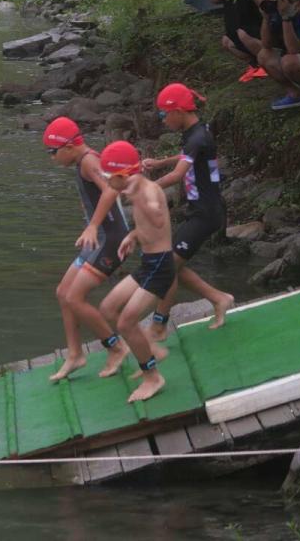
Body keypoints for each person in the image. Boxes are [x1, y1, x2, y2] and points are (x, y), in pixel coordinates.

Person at [142, 83, 234, 343]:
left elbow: (178, 174)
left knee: (167, 266)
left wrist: (145, 188)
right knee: (170, 265)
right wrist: (160, 162)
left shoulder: (198, 137)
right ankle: (218, 298)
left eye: (163, 114)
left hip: (206, 214)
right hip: (203, 209)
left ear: (179, 111)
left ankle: (159, 325)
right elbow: (186, 157)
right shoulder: (197, 131)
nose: (162, 120)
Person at [42, 117, 131, 382]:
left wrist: (92, 225)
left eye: (52, 152)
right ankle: (75, 354)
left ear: (68, 147)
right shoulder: (85, 161)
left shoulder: (90, 161)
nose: (52, 158)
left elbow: (111, 191)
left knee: (74, 298)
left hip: (111, 239)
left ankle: (115, 346)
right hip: (100, 238)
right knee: (63, 293)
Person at [97, 141, 174, 403]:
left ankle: (153, 377)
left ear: (122, 176)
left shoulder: (148, 191)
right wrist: (132, 235)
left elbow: (159, 219)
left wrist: (142, 201)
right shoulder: (136, 188)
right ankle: (150, 349)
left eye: (109, 179)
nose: (107, 184)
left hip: (161, 265)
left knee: (126, 322)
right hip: (147, 262)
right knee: (108, 308)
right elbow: (150, 229)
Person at [212, 0, 277, 82]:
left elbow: (270, 4)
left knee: (243, 34)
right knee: (227, 41)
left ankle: (267, 63)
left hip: (261, 26)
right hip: (238, 28)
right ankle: (254, 65)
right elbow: (214, 0)